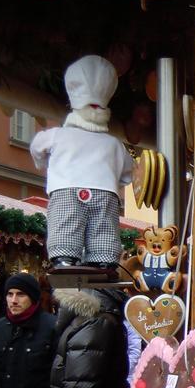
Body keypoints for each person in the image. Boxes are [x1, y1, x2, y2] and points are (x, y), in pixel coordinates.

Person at [31, 55, 133, 270]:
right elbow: (127, 173)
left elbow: (37, 147)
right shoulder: (114, 144)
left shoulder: (57, 135)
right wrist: (114, 180)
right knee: (103, 228)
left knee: (66, 224)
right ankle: (103, 259)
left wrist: (44, 163)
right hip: (105, 190)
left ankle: (64, 257)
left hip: (66, 187)